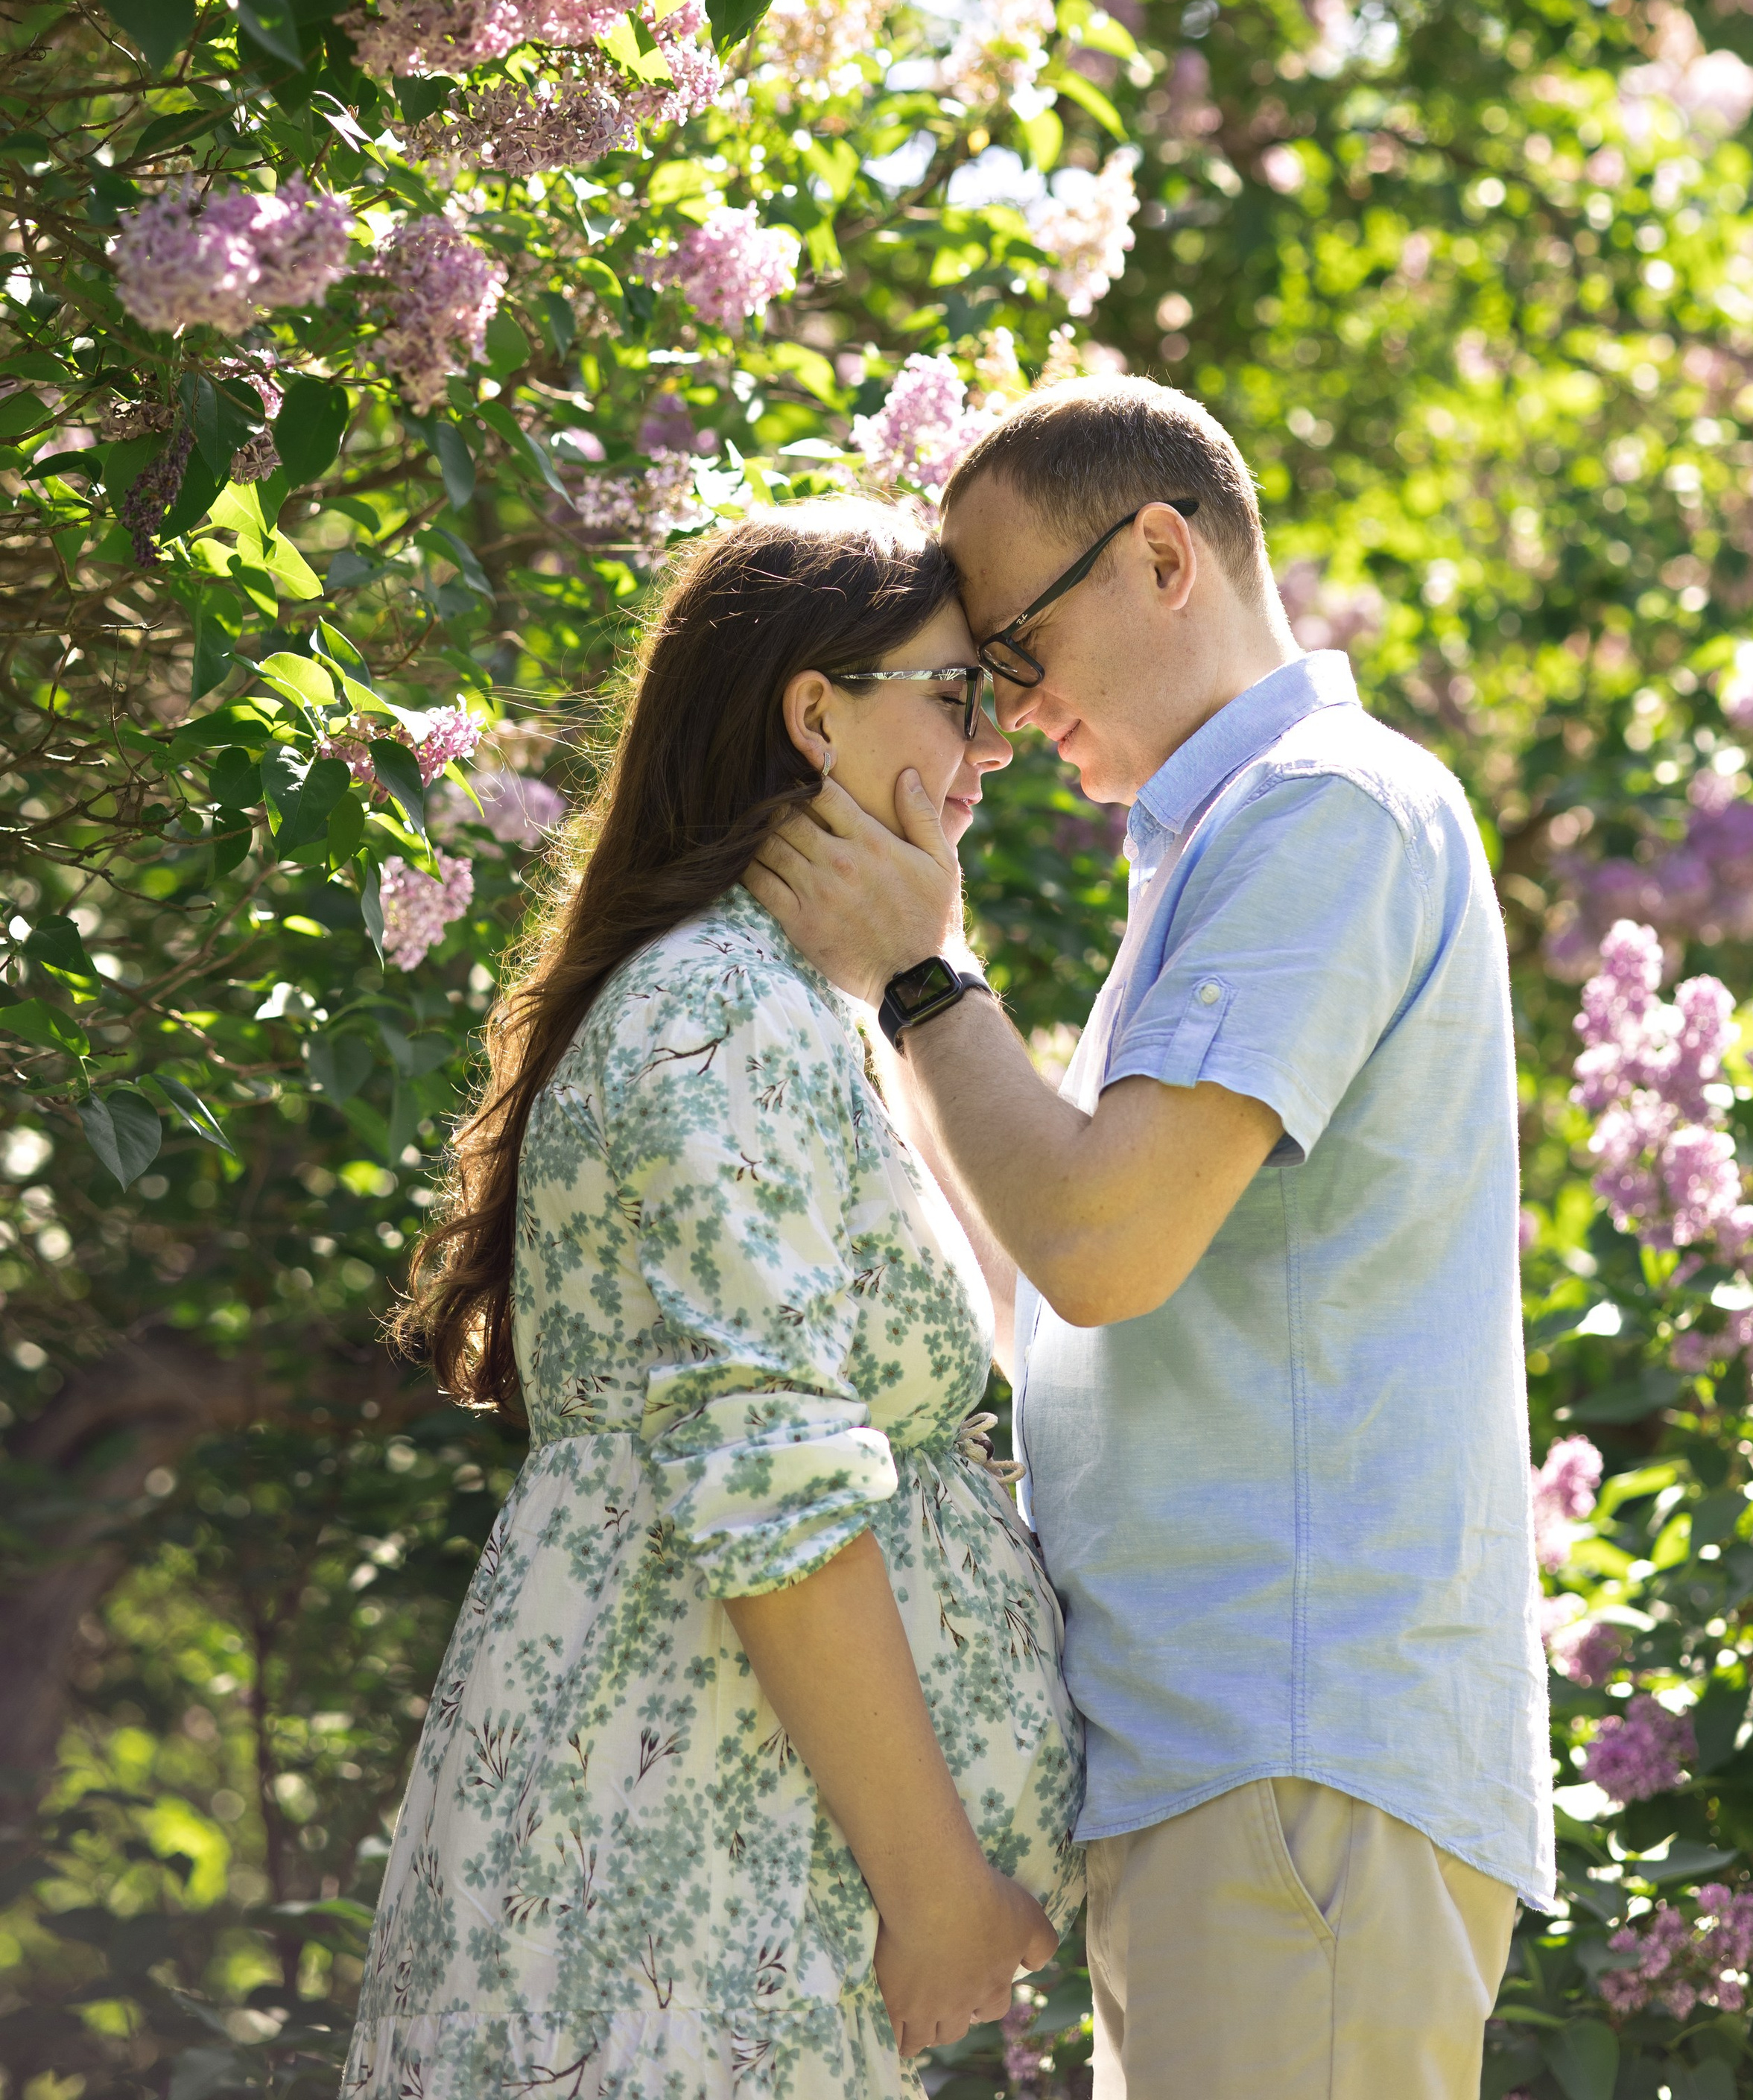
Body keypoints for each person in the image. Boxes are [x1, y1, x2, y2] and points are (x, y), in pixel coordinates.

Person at [747, 377, 1553, 2100]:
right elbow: (1058, 1268)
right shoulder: (1224, 844)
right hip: (1231, 1756)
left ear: (1162, 554)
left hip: (1293, 1747)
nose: (1003, 712)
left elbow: (1102, 1246)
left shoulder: (1323, 809)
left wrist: (921, 974)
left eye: (1016, 648)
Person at [343, 504, 1082, 2100]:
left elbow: (1042, 1309)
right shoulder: (711, 1016)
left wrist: (924, 974)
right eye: (958, 696)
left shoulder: (803, 1006)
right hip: (677, 1899)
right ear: (814, 712)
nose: (990, 748)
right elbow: (771, 1491)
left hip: (738, 1887)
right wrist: (936, 1887)